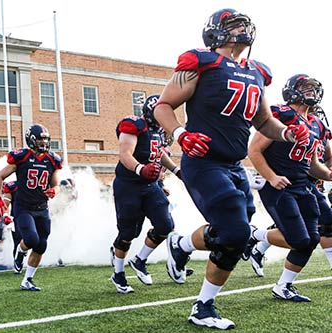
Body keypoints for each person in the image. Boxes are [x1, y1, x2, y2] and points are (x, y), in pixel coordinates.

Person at [153, 8, 310, 330]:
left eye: (243, 24)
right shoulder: (202, 63)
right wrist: (181, 134)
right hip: (204, 161)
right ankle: (203, 306)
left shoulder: (256, 73)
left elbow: (265, 121)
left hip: (235, 165)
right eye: (233, 25)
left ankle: (181, 245)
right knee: (237, 234)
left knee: (232, 233)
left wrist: (288, 133)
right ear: (215, 32)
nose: (241, 29)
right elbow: (163, 105)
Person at [248, 73, 332, 302]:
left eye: (313, 89)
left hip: (302, 185)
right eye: (305, 88)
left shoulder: (316, 125)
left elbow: (313, 163)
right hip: (278, 185)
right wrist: (272, 177)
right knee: (299, 239)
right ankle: (253, 235)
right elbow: (254, 150)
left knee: (312, 238)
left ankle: (283, 286)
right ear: (292, 90)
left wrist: (329, 175)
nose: (311, 92)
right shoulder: (281, 114)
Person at [110, 94, 182, 294]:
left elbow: (159, 154)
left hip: (150, 186)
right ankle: (118, 273)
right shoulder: (135, 125)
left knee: (165, 225)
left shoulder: (157, 131)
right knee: (128, 233)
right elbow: (125, 154)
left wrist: (177, 171)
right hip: (128, 185)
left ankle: (139, 260)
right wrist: (141, 169)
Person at [0, 124, 62, 291]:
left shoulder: (52, 159)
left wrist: (54, 190)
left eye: (46, 139)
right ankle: (20, 251)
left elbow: (56, 184)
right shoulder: (21, 157)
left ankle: (27, 280)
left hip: (42, 207)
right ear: (31, 139)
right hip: (23, 207)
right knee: (31, 239)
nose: (44, 142)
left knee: (41, 245)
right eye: (40, 139)